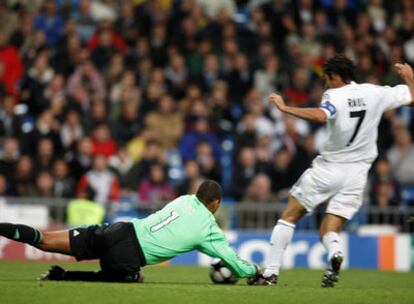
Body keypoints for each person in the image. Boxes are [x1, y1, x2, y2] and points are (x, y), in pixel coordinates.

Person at [249, 55, 414, 287]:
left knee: (289, 216)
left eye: (327, 79)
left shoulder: (334, 95)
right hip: (358, 175)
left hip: (330, 168)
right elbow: (412, 96)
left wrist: (285, 108)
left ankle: (270, 274)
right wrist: (409, 77)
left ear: (335, 77)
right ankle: (335, 253)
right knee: (330, 227)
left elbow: (321, 115)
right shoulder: (376, 92)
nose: (326, 84)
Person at [0, 180, 260, 283]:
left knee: (44, 240)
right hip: (129, 255)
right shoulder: (209, 229)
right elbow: (236, 265)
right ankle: (62, 276)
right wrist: (257, 272)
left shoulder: (184, 199)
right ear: (215, 203)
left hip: (118, 230)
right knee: (132, 278)